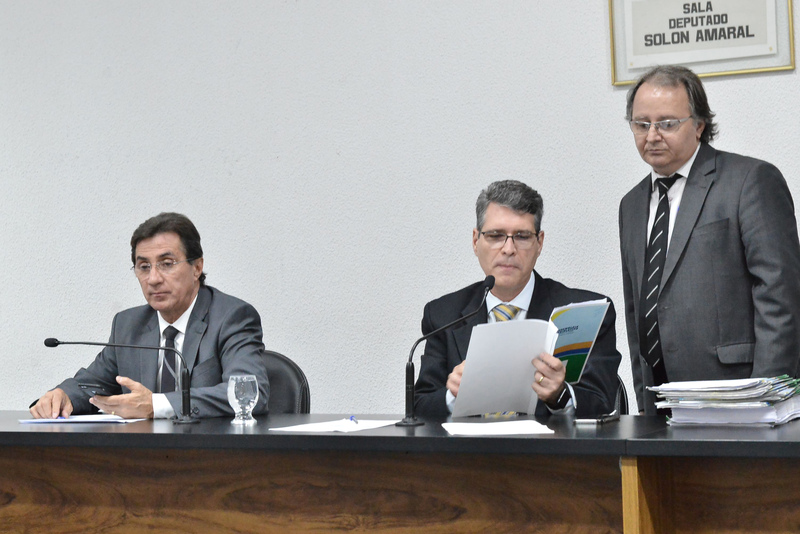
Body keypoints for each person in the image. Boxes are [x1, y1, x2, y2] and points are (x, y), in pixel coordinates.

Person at [619, 65, 800, 414]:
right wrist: (645, 405)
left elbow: (780, 297)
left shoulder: (749, 181)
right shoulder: (631, 205)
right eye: (641, 124)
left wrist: (764, 401)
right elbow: (636, 309)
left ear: (699, 125)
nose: (652, 135)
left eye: (666, 123)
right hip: (661, 404)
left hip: (740, 398)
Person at [30, 212, 269, 419]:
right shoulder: (128, 325)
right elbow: (91, 384)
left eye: (167, 263)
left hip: (207, 453)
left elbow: (250, 393)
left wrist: (155, 405)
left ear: (197, 267)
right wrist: (63, 395)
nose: (153, 279)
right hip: (142, 454)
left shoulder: (232, 317)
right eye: (144, 267)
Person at [414, 180, 621, 419]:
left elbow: (604, 403)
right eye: (495, 235)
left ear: (539, 242)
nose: (509, 249)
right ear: (475, 241)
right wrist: (453, 395)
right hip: (471, 444)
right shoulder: (443, 315)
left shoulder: (585, 314)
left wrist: (560, 395)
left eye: (522, 236)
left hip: (550, 443)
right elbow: (419, 408)